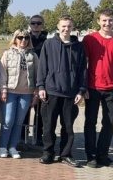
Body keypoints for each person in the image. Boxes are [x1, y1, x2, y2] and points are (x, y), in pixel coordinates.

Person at [82, 9, 113, 168]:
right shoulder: (90, 39)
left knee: (109, 123)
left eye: (110, 20)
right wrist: (84, 87)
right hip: (93, 87)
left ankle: (103, 155)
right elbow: (84, 64)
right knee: (90, 122)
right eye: (104, 20)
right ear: (98, 21)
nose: (107, 23)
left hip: (112, 89)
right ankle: (91, 156)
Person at [36, 16, 87, 167]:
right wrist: (41, 87)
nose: (66, 29)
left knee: (68, 127)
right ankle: (48, 152)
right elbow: (42, 67)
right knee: (49, 125)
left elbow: (82, 70)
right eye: (63, 26)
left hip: (71, 94)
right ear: (58, 27)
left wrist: (81, 90)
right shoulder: (49, 44)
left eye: (69, 26)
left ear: (73, 28)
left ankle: (66, 154)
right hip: (51, 91)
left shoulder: (78, 47)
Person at [0, 29, 38, 159]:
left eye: (26, 38)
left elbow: (38, 75)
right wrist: (3, 89)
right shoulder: (8, 54)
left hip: (26, 93)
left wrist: (36, 92)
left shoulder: (33, 56)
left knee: (19, 121)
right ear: (15, 38)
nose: (23, 40)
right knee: (8, 120)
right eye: (20, 37)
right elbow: (2, 73)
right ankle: (3, 146)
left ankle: (13, 147)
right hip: (10, 92)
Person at [24, 14, 48, 145]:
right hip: (27, 77)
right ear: (30, 24)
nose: (36, 25)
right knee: (25, 108)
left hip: (42, 78)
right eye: (33, 23)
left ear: (42, 25)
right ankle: (23, 135)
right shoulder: (25, 38)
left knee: (41, 110)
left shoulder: (48, 41)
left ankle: (38, 135)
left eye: (38, 23)